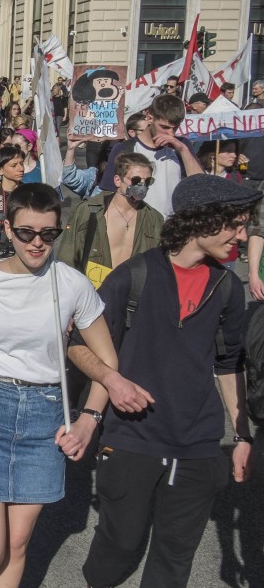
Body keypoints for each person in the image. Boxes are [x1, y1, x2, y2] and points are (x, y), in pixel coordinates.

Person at [0, 183, 150, 588]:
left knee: (17, 546)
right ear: (7, 230)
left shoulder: (72, 284)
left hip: (45, 417)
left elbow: (108, 362)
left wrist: (89, 421)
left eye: (49, 233)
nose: (37, 242)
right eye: (26, 232)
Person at [73, 174, 261, 587]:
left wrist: (242, 436)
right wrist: (109, 385)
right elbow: (78, 345)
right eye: (236, 224)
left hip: (198, 445)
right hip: (130, 440)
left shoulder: (229, 288)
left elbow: (229, 364)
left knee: (174, 560)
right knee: (119, 545)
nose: (243, 236)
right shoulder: (132, 276)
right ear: (202, 221)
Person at [59, 151, 163, 280]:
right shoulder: (89, 211)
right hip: (93, 291)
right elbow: (68, 257)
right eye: (135, 180)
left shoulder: (154, 219)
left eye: (147, 181)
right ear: (117, 180)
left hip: (132, 294)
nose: (142, 186)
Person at [98, 94, 202, 217]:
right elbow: (109, 192)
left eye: (175, 128)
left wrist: (183, 150)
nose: (171, 134)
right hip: (137, 225)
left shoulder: (182, 146)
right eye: (165, 127)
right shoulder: (124, 149)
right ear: (149, 118)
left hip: (174, 227)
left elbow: (200, 184)